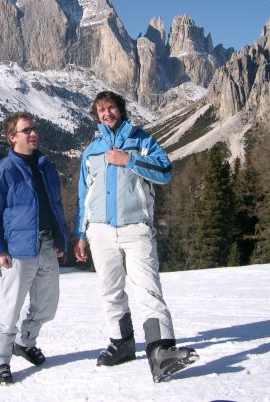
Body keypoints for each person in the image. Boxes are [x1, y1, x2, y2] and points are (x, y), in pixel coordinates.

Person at [74, 91, 198, 383]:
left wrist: (128, 160)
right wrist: (81, 234)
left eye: (111, 107)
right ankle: (122, 344)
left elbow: (165, 171)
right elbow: (84, 195)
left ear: (121, 110)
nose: (107, 113)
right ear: (96, 115)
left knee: (148, 289)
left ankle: (161, 350)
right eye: (101, 110)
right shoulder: (90, 150)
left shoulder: (142, 140)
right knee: (110, 291)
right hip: (100, 231)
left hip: (136, 228)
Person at [0, 112, 68, 385]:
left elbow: (56, 206)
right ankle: (0, 361)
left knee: (47, 306)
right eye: (27, 130)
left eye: (34, 128)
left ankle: (24, 342)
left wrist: (60, 239)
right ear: (12, 137)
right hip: (18, 251)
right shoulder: (1, 173)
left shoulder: (46, 167)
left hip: (47, 246)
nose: (33, 134)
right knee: (10, 308)